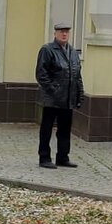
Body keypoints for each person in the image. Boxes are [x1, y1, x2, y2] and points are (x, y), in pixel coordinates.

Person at [35, 23, 84, 168]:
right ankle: (44, 158)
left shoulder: (73, 52)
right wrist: (52, 90)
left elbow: (77, 75)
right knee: (47, 129)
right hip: (52, 99)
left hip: (68, 98)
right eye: (61, 32)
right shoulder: (47, 50)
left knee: (65, 129)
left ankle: (63, 157)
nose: (64, 34)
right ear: (55, 33)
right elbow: (41, 73)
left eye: (66, 32)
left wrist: (80, 93)